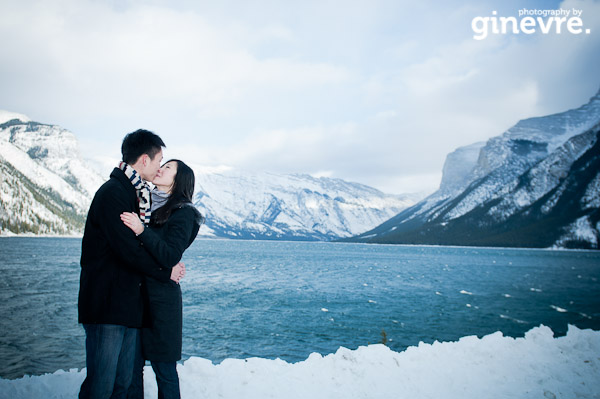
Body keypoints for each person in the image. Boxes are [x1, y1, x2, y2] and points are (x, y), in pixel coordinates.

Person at [78, 129, 185, 399]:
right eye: (159, 160)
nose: (160, 167)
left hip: (128, 307)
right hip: (107, 306)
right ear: (144, 160)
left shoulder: (136, 194)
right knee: (101, 386)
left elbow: (142, 247)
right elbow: (129, 250)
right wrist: (166, 270)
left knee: (122, 385)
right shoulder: (114, 193)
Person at [121, 159, 203, 399]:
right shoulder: (143, 203)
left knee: (164, 370)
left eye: (168, 168)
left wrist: (141, 230)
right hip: (134, 296)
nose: (161, 168)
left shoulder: (184, 213)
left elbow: (169, 255)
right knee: (131, 369)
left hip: (161, 302)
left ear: (179, 180)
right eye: (162, 164)